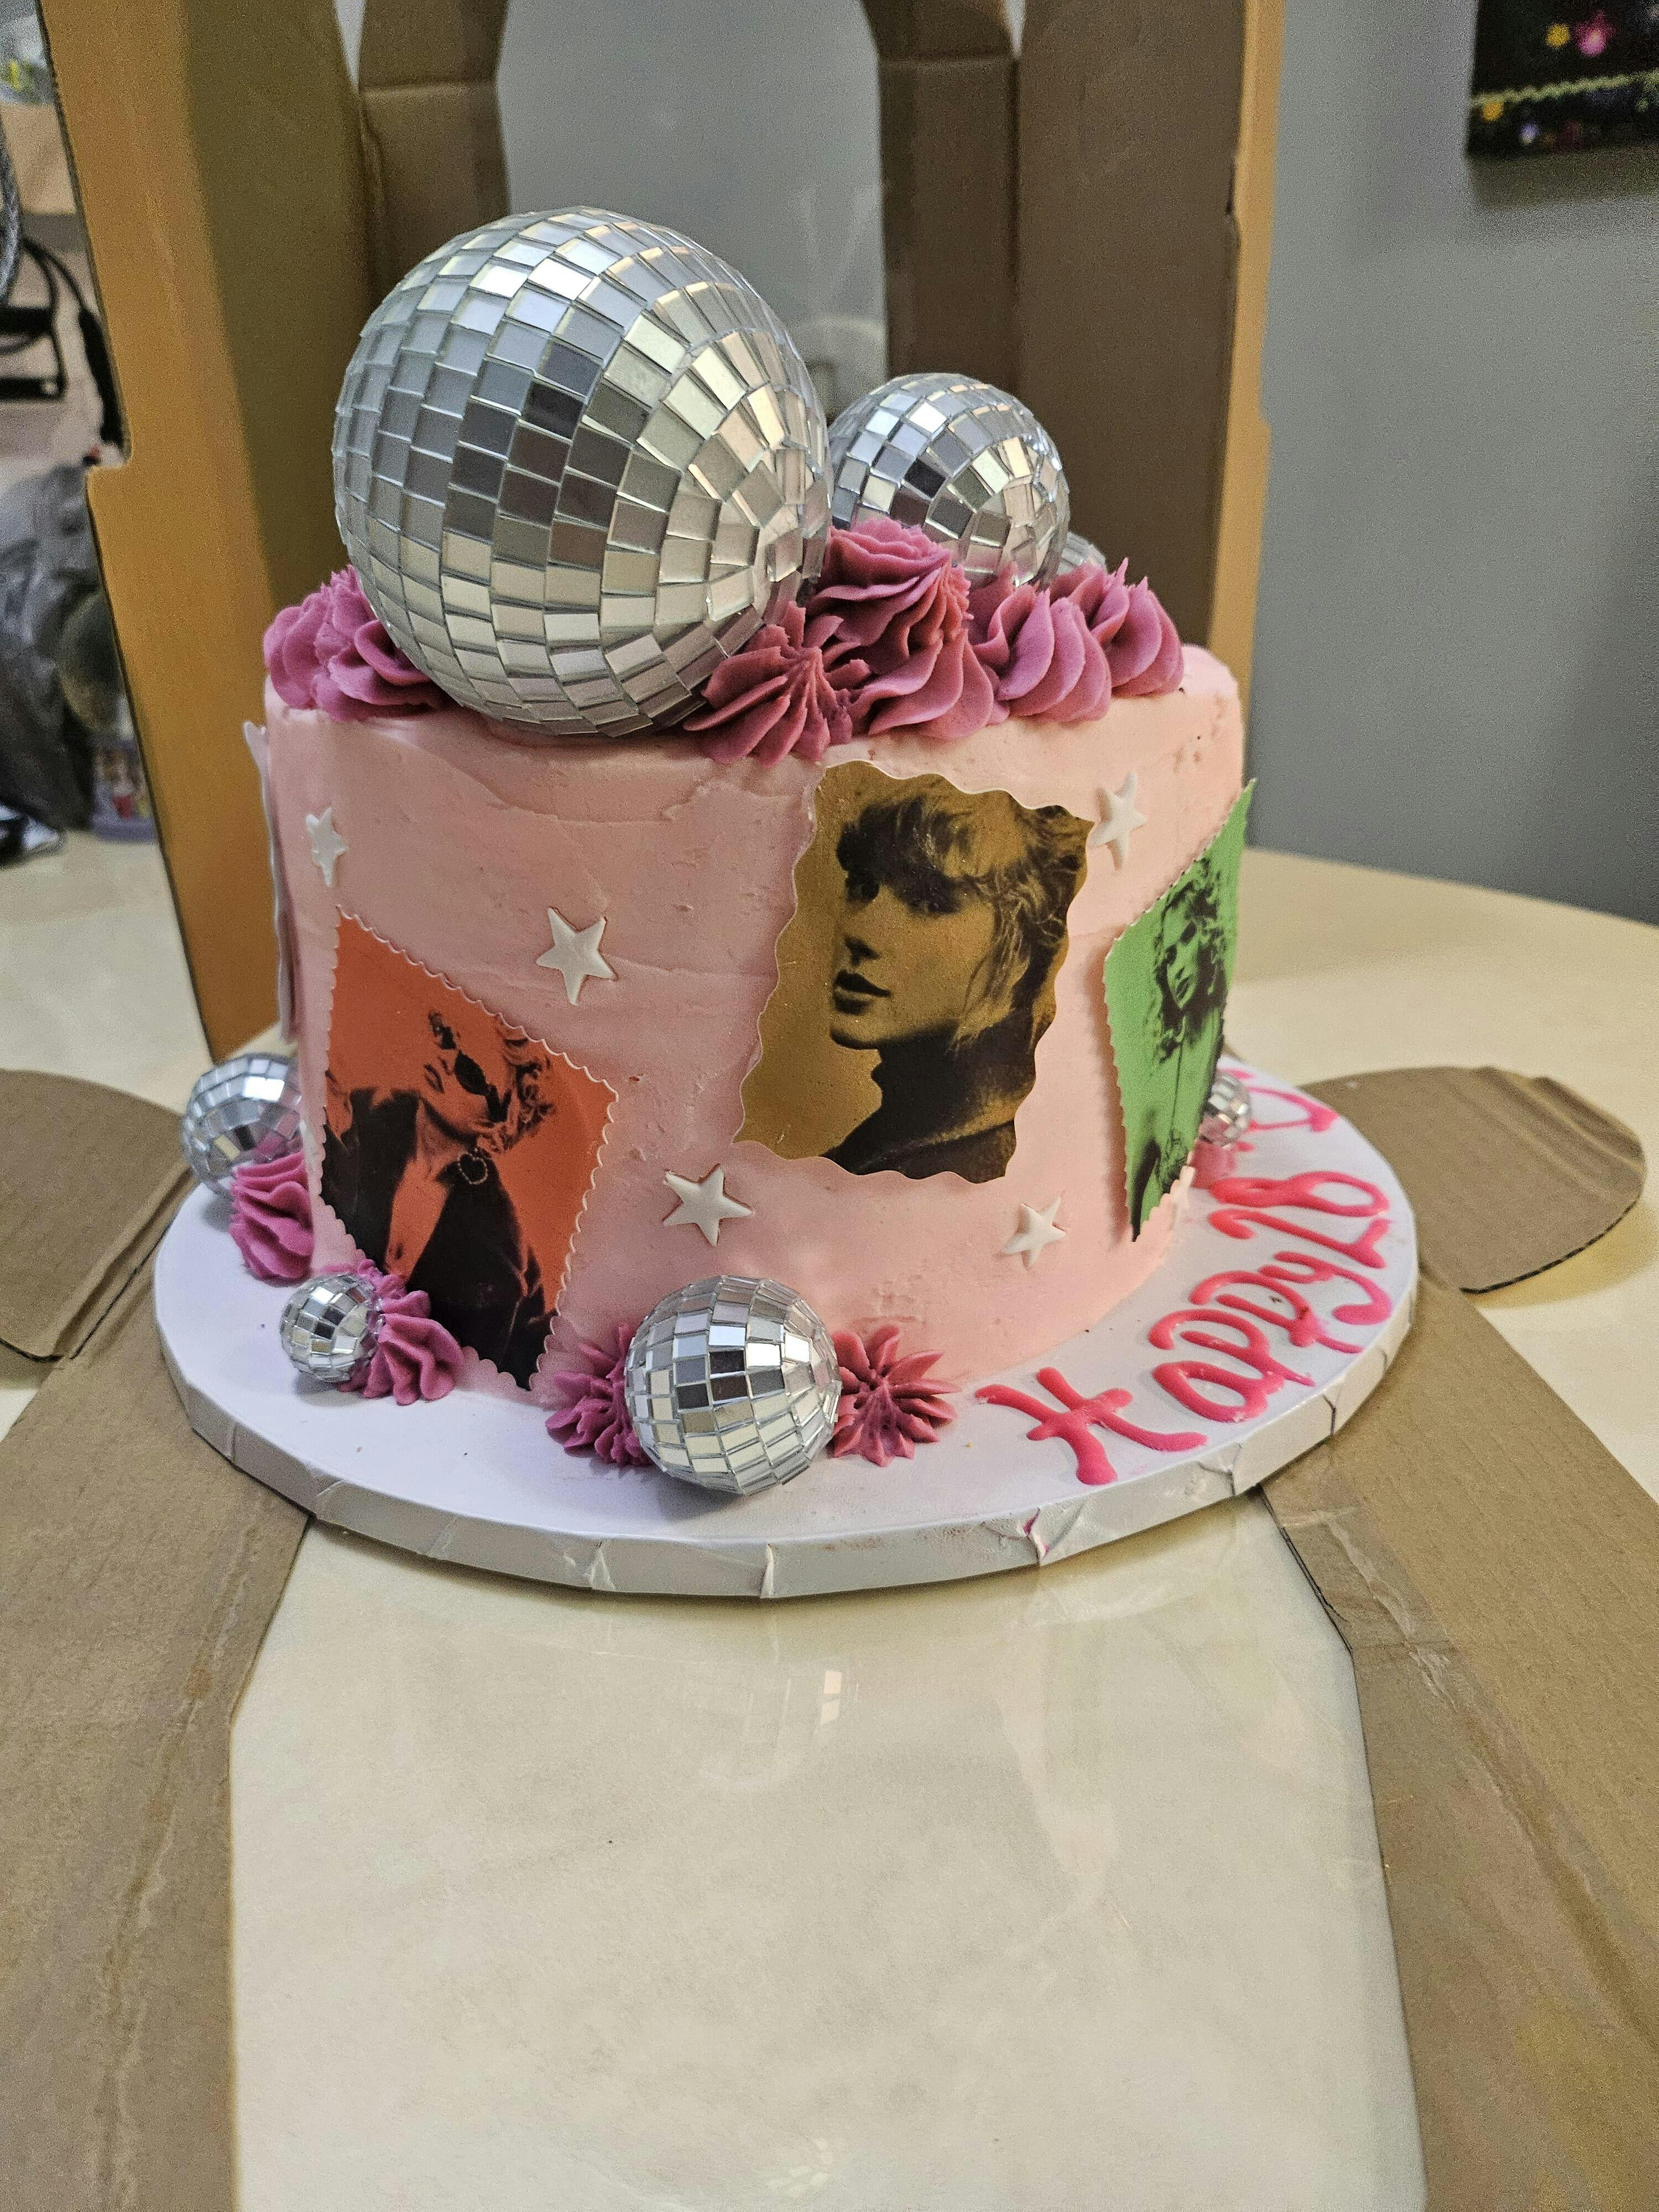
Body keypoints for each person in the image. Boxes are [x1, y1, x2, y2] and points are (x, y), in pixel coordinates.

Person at [822, 776, 1088, 1182]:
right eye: (862, 886)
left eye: (928, 902)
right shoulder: (887, 1146)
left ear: (1030, 940)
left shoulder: (975, 1159)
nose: (861, 932)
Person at [321, 1013, 555, 1386]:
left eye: (469, 1072)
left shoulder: (499, 1252)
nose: (446, 1060)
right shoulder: (354, 1119)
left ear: (500, 1122)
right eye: (448, 1039)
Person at [1127, 861, 1230, 1230]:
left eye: (1186, 938)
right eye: (1169, 953)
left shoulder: (1204, 1039)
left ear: (1209, 934)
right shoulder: (1159, 1051)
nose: (1178, 966)